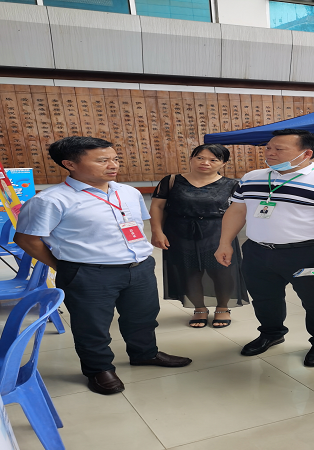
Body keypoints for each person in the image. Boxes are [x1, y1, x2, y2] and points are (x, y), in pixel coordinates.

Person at [14, 136, 192, 396]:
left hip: (139, 267)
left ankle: (144, 353)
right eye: (102, 160)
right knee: (92, 325)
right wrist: (62, 265)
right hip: (88, 273)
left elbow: (135, 227)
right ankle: (98, 369)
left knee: (143, 316)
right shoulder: (51, 200)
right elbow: (27, 239)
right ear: (70, 164)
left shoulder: (128, 192)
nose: (113, 165)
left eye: (115, 159)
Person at [214, 129, 314, 367]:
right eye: (268, 148)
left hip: (307, 253)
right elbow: (237, 211)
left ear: (306, 153)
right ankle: (271, 333)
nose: (270, 153)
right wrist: (224, 242)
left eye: (279, 149)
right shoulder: (252, 177)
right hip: (257, 251)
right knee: (264, 297)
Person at [150, 144, 248, 329]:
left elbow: (238, 212)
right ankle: (199, 308)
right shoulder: (171, 181)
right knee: (189, 272)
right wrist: (157, 232)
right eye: (200, 158)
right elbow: (157, 206)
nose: (205, 163)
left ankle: (223, 307)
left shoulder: (232, 185)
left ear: (223, 163)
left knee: (221, 271)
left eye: (213, 160)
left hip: (217, 231)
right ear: (191, 159)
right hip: (179, 232)